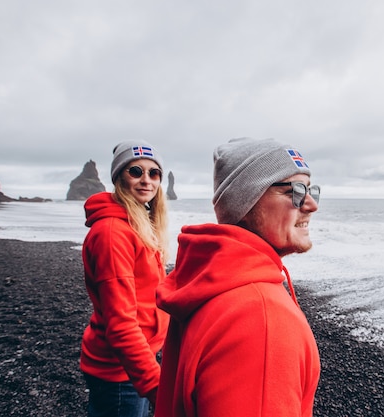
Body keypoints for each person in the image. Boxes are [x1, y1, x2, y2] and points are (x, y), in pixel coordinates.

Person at [155, 138, 321, 417]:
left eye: (311, 190)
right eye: (296, 191)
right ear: (246, 200)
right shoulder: (261, 317)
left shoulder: (211, 279)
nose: (312, 204)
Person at [80, 141, 170, 417]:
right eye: (135, 171)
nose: (147, 180)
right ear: (119, 178)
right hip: (119, 371)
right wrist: (155, 386)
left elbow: (149, 288)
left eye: (154, 173)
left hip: (134, 360)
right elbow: (121, 324)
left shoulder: (137, 224)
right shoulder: (112, 234)